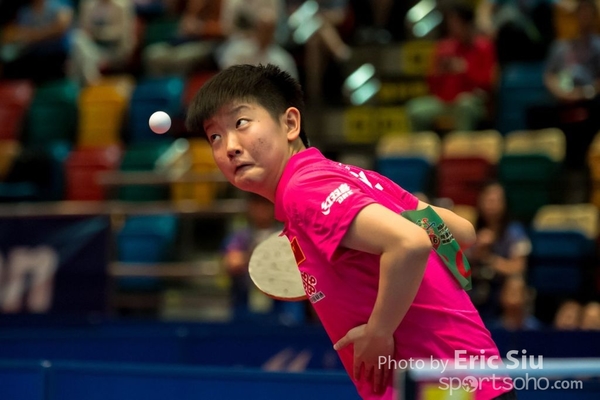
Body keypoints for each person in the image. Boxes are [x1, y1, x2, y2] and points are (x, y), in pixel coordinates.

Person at [185, 64, 516, 399]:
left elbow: (410, 243)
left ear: (290, 124)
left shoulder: (303, 189)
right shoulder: (353, 176)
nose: (229, 146)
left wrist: (379, 331)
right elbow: (462, 232)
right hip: (478, 379)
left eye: (241, 123)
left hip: (442, 388)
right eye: (215, 136)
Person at [405, 2, 497, 132]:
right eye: (450, 23)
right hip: (445, 102)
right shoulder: (444, 47)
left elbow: (489, 82)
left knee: (464, 104)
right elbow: (430, 83)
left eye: (456, 23)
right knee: (415, 109)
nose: (452, 27)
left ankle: (462, 144)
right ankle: (426, 144)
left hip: (473, 103)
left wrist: (465, 69)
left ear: (468, 24)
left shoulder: (484, 47)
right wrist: (438, 72)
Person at [465, 181, 532, 322]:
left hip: (501, 286)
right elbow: (459, 264)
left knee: (516, 284)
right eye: (488, 200)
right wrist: (477, 250)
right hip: (475, 284)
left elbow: (518, 267)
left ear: (504, 203)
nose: (491, 204)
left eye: (496, 200)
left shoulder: (515, 231)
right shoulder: (470, 229)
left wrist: (488, 258)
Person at [0, 0, 74, 84]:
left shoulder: (58, 5)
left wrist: (32, 35)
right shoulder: (25, 12)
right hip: (32, 57)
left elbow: (61, 27)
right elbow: (12, 34)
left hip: (57, 56)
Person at [70, 0, 137, 85]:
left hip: (116, 50)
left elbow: (124, 33)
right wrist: (94, 34)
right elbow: (84, 29)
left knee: (84, 55)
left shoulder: (123, 5)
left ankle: (91, 84)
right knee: (77, 40)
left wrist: (98, 33)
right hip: (94, 48)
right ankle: (83, 84)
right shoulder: (88, 4)